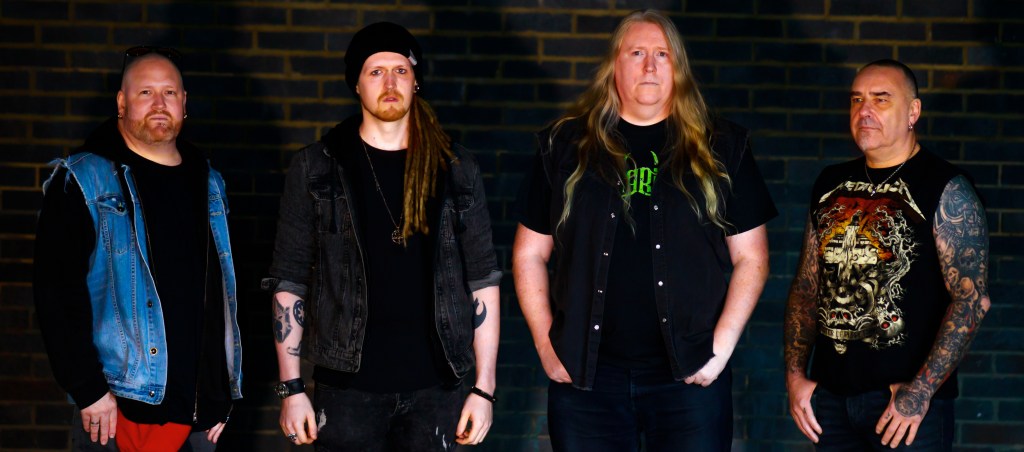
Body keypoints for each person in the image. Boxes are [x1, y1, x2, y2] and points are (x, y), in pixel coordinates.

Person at [513, 9, 776, 451]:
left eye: (662, 54)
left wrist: (721, 349)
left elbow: (752, 258)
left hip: (688, 375)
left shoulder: (721, 147)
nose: (650, 66)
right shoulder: (565, 146)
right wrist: (545, 344)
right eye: (637, 53)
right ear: (614, 65)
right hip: (586, 377)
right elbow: (528, 254)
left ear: (679, 68)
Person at [263, 22, 501, 450]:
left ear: (415, 81)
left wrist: (484, 390)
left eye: (400, 71)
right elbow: (290, 278)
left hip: (437, 388)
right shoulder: (318, 166)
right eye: (376, 72)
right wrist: (291, 388)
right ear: (356, 84)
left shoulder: (455, 167)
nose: (390, 83)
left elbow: (483, 279)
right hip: (347, 389)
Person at [33, 46, 242, 451]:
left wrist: (222, 391)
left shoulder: (209, 182)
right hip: (118, 410)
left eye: (169, 92)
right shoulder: (85, 179)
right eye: (146, 92)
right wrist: (87, 389)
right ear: (121, 102)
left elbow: (224, 293)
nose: (159, 103)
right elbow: (55, 292)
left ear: (184, 102)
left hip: (199, 418)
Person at [784, 59, 991, 451]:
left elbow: (971, 300)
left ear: (913, 112)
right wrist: (795, 377)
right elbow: (807, 287)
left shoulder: (947, 188)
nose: (865, 111)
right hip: (831, 403)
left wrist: (920, 392)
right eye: (857, 100)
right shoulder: (830, 182)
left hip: (905, 409)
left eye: (881, 99)